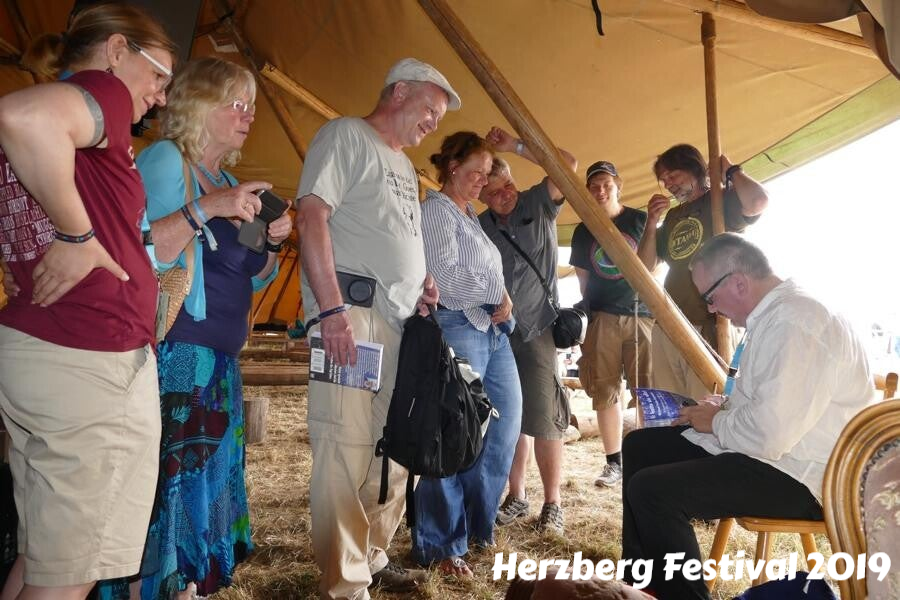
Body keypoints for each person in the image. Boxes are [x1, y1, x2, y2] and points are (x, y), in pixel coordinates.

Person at [0, 4, 175, 599]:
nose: (161, 96)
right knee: (67, 578)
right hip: (88, 357)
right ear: (118, 50)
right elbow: (21, 116)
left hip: (43, 345)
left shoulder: (75, 128)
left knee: (44, 560)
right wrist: (79, 235)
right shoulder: (102, 91)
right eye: (159, 77)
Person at [99, 57, 290, 600]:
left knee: (198, 495)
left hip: (221, 361)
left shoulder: (231, 181)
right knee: (166, 497)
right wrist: (210, 206)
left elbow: (253, 279)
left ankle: (184, 591)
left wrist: (272, 241)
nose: (249, 114)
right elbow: (140, 249)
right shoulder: (166, 162)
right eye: (237, 103)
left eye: (252, 105)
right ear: (199, 107)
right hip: (178, 356)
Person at [621, 233, 875, 599]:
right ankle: (640, 586)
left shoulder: (796, 322)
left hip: (807, 477)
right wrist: (721, 409)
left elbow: (771, 434)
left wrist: (715, 421)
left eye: (710, 297)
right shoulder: (777, 316)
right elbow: (768, 404)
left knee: (654, 491)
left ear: (738, 282)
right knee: (643, 446)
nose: (710, 309)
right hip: (779, 455)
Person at [295, 57, 458, 599]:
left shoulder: (406, 168)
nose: (433, 121)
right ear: (400, 91)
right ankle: (343, 584)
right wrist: (330, 311)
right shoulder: (345, 135)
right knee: (345, 444)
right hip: (352, 317)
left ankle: (372, 555)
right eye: (430, 109)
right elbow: (312, 216)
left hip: (397, 322)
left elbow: (392, 235)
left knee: (395, 443)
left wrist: (421, 280)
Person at [414, 131, 522, 576]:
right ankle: (442, 545)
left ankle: (479, 526)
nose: (482, 180)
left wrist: (500, 301)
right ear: (452, 167)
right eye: (475, 172)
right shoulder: (436, 210)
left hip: (491, 329)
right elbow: (447, 278)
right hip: (459, 326)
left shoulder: (470, 214)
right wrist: (499, 292)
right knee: (453, 434)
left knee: (503, 428)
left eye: (487, 173)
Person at [477, 127, 576, 534]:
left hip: (537, 326)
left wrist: (516, 146)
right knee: (508, 416)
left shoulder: (539, 200)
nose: (505, 195)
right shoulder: (478, 223)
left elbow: (567, 164)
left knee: (545, 417)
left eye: (508, 186)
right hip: (497, 331)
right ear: (482, 194)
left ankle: (553, 503)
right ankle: (516, 496)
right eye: (495, 191)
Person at [636, 144, 768, 400]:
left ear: (693, 169)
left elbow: (758, 201)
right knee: (671, 407)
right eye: (664, 180)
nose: (668, 184)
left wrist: (731, 170)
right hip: (669, 323)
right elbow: (644, 266)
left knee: (706, 403)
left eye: (672, 176)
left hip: (710, 323)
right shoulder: (673, 216)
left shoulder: (719, 201)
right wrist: (651, 223)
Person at [569, 161, 653, 488]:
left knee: (646, 392)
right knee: (604, 392)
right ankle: (614, 464)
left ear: (619, 185)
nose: (600, 190)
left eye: (605, 184)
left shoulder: (639, 220)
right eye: (593, 185)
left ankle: (646, 460)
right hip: (602, 316)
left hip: (641, 315)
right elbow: (583, 282)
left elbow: (653, 267)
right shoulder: (582, 229)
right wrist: (590, 320)